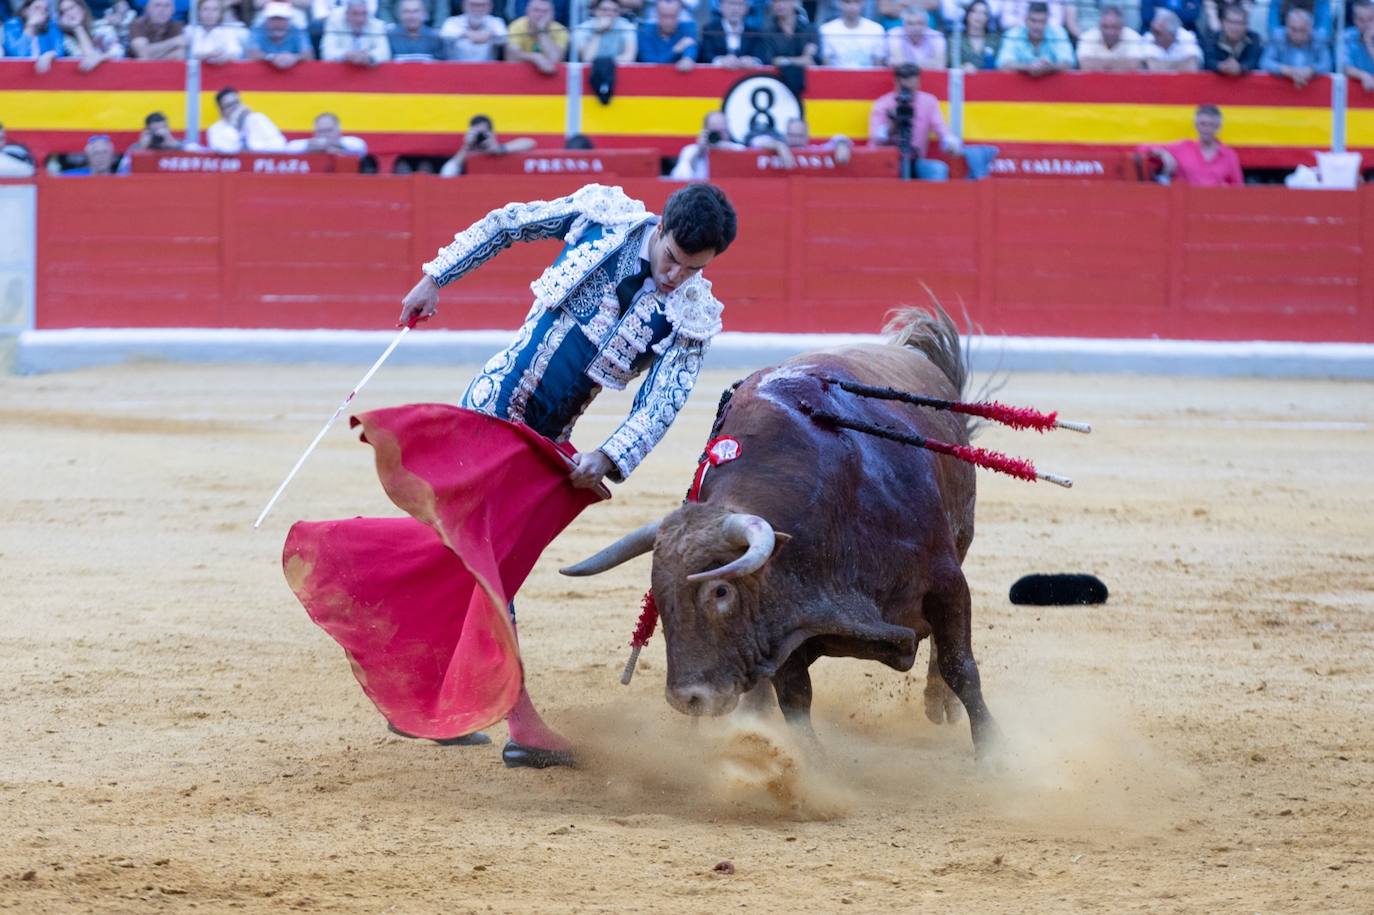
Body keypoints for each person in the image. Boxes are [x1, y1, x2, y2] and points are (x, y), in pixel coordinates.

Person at [380, 183, 738, 768]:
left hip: (546, 441)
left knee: (472, 560)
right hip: (491, 409)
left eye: (692, 269)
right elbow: (505, 223)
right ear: (661, 226)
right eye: (672, 258)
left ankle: (423, 699)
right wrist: (436, 277)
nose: (676, 277)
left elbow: (660, 404)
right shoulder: (605, 219)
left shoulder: (690, 315)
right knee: (491, 561)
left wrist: (612, 454)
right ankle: (517, 721)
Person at [868, 62, 959, 180]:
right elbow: (875, 138)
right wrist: (892, 126)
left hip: (915, 160)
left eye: (912, 87)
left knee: (938, 170)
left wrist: (950, 143)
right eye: (905, 88)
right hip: (887, 162)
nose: (908, 93)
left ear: (918, 83)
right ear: (896, 83)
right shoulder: (883, 104)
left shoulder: (928, 102)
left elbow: (942, 129)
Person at [668, 109, 792, 179]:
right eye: (715, 131)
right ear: (706, 130)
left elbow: (759, 143)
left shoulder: (736, 149)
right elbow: (679, 177)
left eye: (722, 129)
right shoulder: (692, 150)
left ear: (728, 129)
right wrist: (700, 150)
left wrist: (780, 145)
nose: (719, 135)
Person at [1145, 104, 1242, 186]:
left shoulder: (1230, 156)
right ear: (1196, 125)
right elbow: (1142, 148)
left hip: (1215, 206)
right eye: (1202, 124)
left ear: (1218, 127)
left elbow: (1238, 190)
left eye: (1211, 125)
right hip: (1186, 206)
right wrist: (1162, 153)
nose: (1206, 128)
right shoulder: (1182, 148)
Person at [439, 114, 536, 176]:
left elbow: (530, 143)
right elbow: (447, 173)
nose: (481, 137)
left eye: (484, 133)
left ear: (492, 133)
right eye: (477, 134)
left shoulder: (502, 149)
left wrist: (498, 149)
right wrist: (467, 146)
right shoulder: (467, 154)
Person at [995, 1, 1075, 74]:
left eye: (1041, 21)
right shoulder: (1013, 34)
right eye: (1033, 20)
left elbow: (1068, 63)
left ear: (1047, 21)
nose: (1037, 26)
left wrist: (1050, 67)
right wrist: (1028, 67)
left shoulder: (1058, 33)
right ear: (1025, 20)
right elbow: (1003, 64)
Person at [1260, 7, 1331, 86]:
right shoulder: (1277, 37)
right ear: (1286, 27)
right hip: (1281, 90)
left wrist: (1311, 70)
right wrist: (1287, 70)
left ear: (1311, 28)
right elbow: (1265, 62)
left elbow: (1326, 64)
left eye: (1303, 30)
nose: (1298, 35)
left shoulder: (1319, 39)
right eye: (1293, 29)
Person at [207, 87, 288, 152]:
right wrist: (234, 125)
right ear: (221, 111)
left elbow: (279, 145)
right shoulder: (215, 129)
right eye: (230, 105)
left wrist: (253, 148)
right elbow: (224, 150)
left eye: (237, 102)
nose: (235, 107)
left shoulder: (257, 118)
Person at [57, 0, 124, 71]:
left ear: (82, 9)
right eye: (63, 12)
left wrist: (100, 58)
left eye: (71, 8)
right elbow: (87, 61)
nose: (69, 14)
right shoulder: (67, 39)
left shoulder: (102, 27)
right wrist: (77, 28)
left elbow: (118, 51)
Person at [504, 0, 567, 74]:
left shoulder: (560, 30)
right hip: (520, 74)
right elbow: (511, 57)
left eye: (545, 11)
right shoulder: (516, 26)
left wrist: (542, 31)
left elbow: (555, 60)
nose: (540, 15)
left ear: (553, 14)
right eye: (536, 10)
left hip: (551, 78)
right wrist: (534, 57)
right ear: (527, 12)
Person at [1076, 5, 1145, 71]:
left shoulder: (1133, 37)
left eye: (1115, 27)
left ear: (1122, 26)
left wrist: (1099, 64)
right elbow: (1085, 65)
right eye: (1105, 27)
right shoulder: (1087, 37)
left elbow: (1134, 65)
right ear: (1099, 26)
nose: (1110, 32)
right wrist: (1121, 64)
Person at [320, 0, 391, 64]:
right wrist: (347, 55)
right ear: (346, 14)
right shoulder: (334, 23)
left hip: (369, 73)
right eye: (355, 14)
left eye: (364, 13)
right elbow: (327, 53)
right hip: (341, 73)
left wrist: (369, 56)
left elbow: (385, 53)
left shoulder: (377, 25)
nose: (360, 19)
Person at [246, 0, 314, 67]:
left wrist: (294, 57)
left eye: (282, 19)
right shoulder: (258, 29)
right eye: (274, 19)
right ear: (266, 20)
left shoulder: (297, 30)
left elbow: (308, 54)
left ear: (289, 20)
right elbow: (252, 53)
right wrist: (271, 57)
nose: (278, 24)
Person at [820, 0, 886, 68]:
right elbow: (825, 66)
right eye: (847, 2)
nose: (852, 7)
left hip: (868, 77)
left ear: (863, 3)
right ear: (839, 3)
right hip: (835, 78)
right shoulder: (826, 30)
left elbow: (879, 67)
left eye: (857, 2)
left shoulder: (877, 30)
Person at [698, 0, 764, 67]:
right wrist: (721, 61)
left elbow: (761, 56)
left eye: (740, 4)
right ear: (721, 7)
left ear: (747, 8)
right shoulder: (709, 29)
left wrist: (753, 60)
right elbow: (705, 55)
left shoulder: (754, 32)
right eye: (731, 3)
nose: (735, 8)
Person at [1203, 3, 1263, 74]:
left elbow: (1254, 61)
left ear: (1247, 25)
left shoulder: (1254, 39)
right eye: (1231, 22)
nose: (1235, 27)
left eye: (1240, 23)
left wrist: (1241, 67)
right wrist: (1221, 66)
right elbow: (1207, 61)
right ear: (1222, 23)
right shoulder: (1211, 38)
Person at [5, 0, 65, 68]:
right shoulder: (12, 26)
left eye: (45, 10)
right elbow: (17, 54)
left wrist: (51, 54)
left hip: (46, 74)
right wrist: (30, 27)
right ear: (26, 11)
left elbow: (60, 51)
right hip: (17, 72)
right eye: (37, 8)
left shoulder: (52, 27)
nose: (42, 12)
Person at [637, 0, 697, 68]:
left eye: (672, 16)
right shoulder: (645, 31)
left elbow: (690, 50)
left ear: (679, 15)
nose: (668, 21)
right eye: (664, 16)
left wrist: (688, 58)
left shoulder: (688, 28)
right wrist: (675, 50)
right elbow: (650, 62)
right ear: (656, 14)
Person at [760, 0, 818, 69]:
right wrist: (802, 59)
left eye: (784, 1)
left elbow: (812, 61)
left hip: (806, 77)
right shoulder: (767, 32)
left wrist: (785, 60)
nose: (780, 5)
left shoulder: (810, 29)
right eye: (775, 1)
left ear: (794, 2)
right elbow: (770, 61)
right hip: (777, 77)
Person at [438, 0, 503, 61]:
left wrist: (490, 35)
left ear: (490, 6)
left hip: (489, 69)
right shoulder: (452, 21)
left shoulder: (496, 22)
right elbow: (444, 36)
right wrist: (467, 34)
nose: (478, 9)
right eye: (473, 5)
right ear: (464, 5)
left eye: (482, 5)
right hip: (455, 68)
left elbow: (503, 39)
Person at [887, 3, 945, 69]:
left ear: (926, 24)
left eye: (920, 23)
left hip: (931, 77)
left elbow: (940, 65)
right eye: (911, 24)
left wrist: (905, 63)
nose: (916, 28)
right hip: (904, 77)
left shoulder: (937, 37)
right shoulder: (894, 34)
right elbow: (896, 62)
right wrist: (928, 63)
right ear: (903, 24)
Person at [285, 111, 368, 155]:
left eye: (329, 130)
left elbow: (360, 145)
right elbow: (289, 148)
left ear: (339, 130)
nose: (324, 134)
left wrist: (328, 145)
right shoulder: (308, 145)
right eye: (321, 131)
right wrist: (314, 147)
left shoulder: (350, 145)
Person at [952, 0, 999, 70]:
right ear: (967, 15)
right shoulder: (956, 39)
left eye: (983, 13)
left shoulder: (994, 40)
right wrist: (961, 67)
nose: (978, 16)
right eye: (974, 11)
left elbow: (1000, 65)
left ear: (988, 18)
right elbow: (948, 64)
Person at [1346, 0, 1374, 92]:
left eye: (1370, 19)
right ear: (1354, 20)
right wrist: (1363, 75)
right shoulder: (1346, 37)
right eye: (1361, 19)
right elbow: (1344, 67)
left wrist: (1369, 43)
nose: (1366, 24)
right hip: (1352, 94)